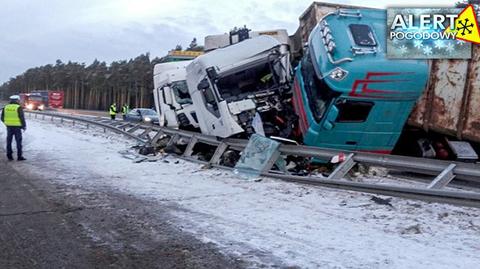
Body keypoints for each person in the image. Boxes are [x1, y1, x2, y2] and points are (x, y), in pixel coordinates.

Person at [1, 95, 27, 161]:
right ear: (17, 100)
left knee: (9, 141)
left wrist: (7, 123)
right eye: (18, 100)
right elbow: (22, 118)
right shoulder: (18, 107)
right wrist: (23, 126)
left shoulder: (6, 107)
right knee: (18, 141)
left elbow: (2, 118)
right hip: (17, 127)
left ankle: (9, 156)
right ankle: (19, 156)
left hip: (9, 127)